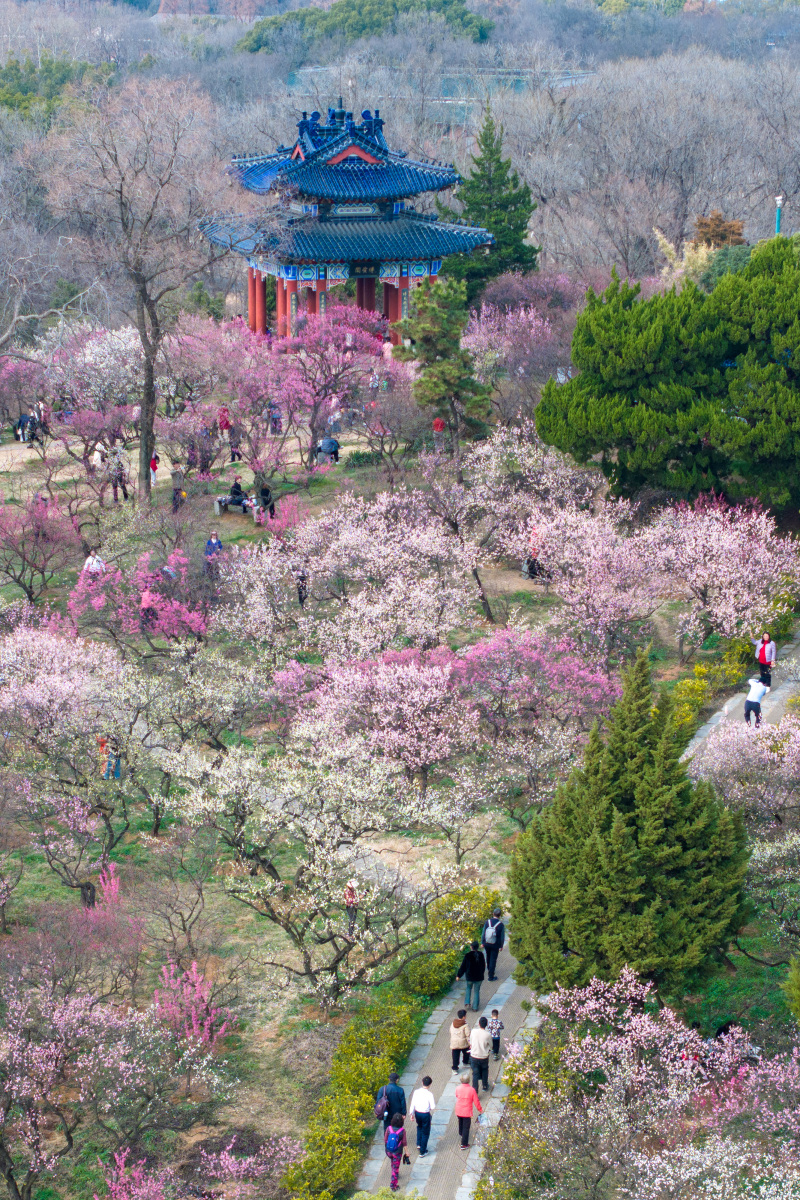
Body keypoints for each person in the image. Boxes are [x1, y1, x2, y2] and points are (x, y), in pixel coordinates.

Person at [455, 1071, 482, 1150]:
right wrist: (480, 1110)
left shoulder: (458, 1088)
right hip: (467, 1111)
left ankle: (461, 1133)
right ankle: (464, 1144)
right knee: (466, 1127)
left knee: (460, 1121)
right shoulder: (472, 1090)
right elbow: (476, 1101)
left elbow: (456, 1095)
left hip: (459, 1109)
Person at [409, 1076, 435, 1157]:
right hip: (425, 1114)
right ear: (430, 1084)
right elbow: (433, 1106)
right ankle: (422, 1151)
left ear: (422, 1082)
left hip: (417, 1113)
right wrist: (429, 1108)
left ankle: (419, 1143)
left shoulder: (416, 1092)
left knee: (419, 1127)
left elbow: (412, 1103)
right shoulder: (429, 1094)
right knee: (425, 1132)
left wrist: (411, 1113)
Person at [457, 941, 486, 1012]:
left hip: (470, 977)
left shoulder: (468, 955)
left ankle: (467, 1002)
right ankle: (475, 1007)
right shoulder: (481, 954)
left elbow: (463, 966)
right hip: (479, 977)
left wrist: (458, 975)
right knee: (476, 991)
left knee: (468, 988)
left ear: (471, 947)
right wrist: (482, 973)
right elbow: (483, 966)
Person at [384, 1113, 407, 1192]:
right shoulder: (402, 1131)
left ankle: (394, 1174)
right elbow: (404, 1143)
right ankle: (393, 1185)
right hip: (397, 1152)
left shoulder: (388, 1128)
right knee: (395, 1169)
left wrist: (388, 1148)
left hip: (389, 1151)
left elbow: (385, 1139)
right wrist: (407, 1152)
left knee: (392, 1162)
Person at [469, 1016, 492, 1093]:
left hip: (474, 1056)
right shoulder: (488, 1034)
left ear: (479, 1024)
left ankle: (475, 1090)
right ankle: (485, 1085)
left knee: (475, 1073)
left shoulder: (473, 1031)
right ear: (486, 1025)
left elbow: (471, 1042)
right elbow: (491, 1045)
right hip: (483, 1056)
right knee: (485, 1070)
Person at [482, 907, 505, 981]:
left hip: (487, 943)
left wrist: (482, 942)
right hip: (495, 944)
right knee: (493, 959)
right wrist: (501, 946)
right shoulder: (501, 925)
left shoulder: (487, 922)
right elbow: (502, 937)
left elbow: (483, 933)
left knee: (488, 957)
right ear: (499, 915)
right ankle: (491, 976)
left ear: (493, 914)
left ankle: (489, 969)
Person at [450, 1009, 471, 1073]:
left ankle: (455, 1068)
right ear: (464, 1016)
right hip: (463, 1043)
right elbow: (468, 1034)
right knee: (467, 1052)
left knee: (455, 1055)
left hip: (454, 1043)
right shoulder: (465, 1025)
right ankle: (465, 1062)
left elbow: (450, 1031)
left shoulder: (453, 1023)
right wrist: (470, 1043)